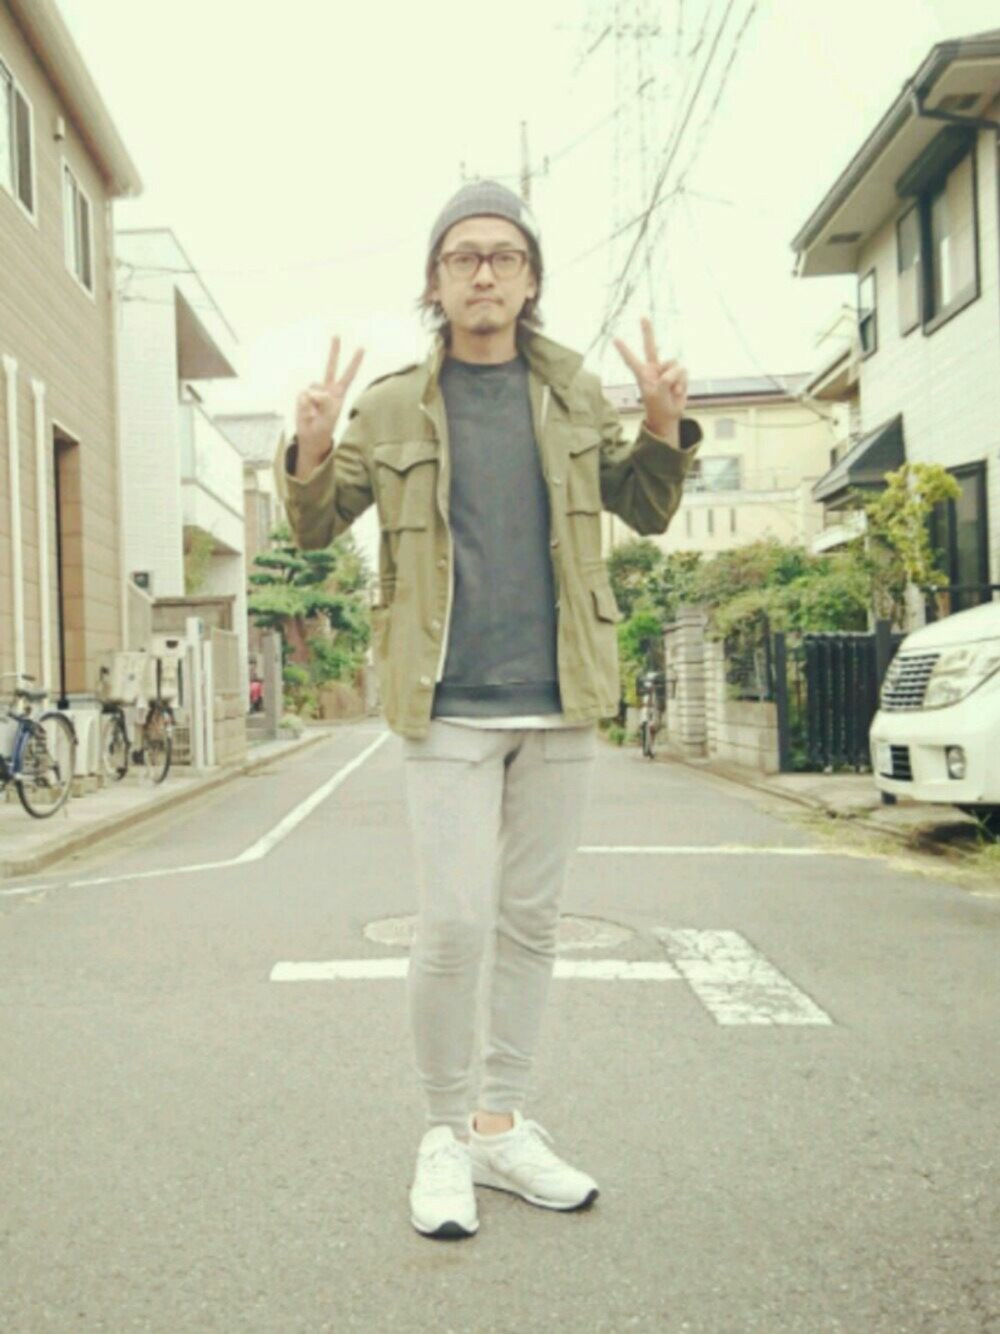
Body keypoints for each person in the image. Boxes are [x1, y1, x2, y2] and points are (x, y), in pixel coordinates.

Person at [275, 179, 702, 1241]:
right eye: (462, 256)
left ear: (529, 279)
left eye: (503, 256)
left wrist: (662, 426)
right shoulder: (390, 404)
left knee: (531, 923)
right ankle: (441, 1129)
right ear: (434, 280)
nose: (482, 273)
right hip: (447, 699)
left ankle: (500, 1123)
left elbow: (645, 506)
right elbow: (318, 527)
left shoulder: (572, 391)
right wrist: (312, 446)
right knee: (455, 922)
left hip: (562, 695)